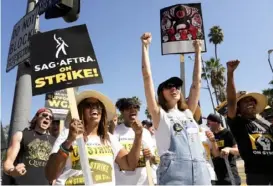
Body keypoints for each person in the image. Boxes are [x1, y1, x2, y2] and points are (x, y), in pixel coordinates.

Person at [141, 32, 211, 185]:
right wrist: (145, 47)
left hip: (200, 171)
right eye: (169, 86)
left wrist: (198, 51)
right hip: (174, 176)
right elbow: (147, 78)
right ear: (161, 93)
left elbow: (196, 83)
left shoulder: (188, 112)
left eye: (177, 86)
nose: (174, 89)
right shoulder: (159, 115)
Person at [45, 90, 143, 186]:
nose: (94, 108)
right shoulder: (67, 134)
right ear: (80, 110)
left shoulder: (108, 138)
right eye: (88, 105)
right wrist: (69, 140)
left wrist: (138, 135)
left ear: (102, 112)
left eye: (98, 106)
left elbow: (129, 165)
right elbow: (50, 175)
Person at [226, 60, 273, 185]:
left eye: (252, 100)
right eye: (245, 101)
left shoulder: (266, 123)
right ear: (238, 108)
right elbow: (231, 101)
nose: (250, 102)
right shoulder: (238, 123)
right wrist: (230, 74)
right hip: (256, 175)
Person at [3, 108, 56, 185]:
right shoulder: (21, 135)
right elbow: (8, 162)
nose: (47, 118)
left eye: (51, 117)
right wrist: (13, 171)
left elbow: (54, 166)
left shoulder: (54, 141)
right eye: (44, 115)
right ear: (36, 117)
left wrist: (54, 177)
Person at [113, 97, 157, 185]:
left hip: (145, 183)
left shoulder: (146, 133)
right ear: (122, 111)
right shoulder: (115, 133)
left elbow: (155, 160)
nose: (133, 110)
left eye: (136, 107)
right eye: (128, 108)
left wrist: (151, 156)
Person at [207, 113, 241, 185]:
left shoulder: (228, 133)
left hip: (229, 172)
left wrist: (228, 149)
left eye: (208, 123)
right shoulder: (211, 136)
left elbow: (238, 151)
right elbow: (216, 155)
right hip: (217, 174)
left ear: (216, 122)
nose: (207, 125)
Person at [142, 120, 160, 185]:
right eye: (150, 126)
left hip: (160, 176)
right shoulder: (143, 141)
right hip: (150, 177)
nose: (153, 127)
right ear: (144, 127)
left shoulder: (158, 139)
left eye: (153, 125)